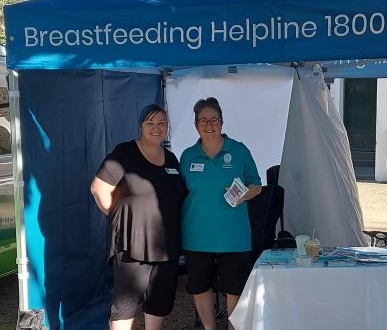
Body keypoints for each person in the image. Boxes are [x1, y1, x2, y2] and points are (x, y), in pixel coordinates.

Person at [90, 104, 188, 330]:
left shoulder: (172, 159)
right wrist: (119, 218)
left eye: (161, 123)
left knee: (159, 301)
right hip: (131, 244)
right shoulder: (125, 153)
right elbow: (98, 188)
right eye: (150, 123)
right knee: (126, 304)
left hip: (166, 246)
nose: (156, 128)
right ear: (140, 126)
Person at [180, 97, 262, 330]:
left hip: (233, 236)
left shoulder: (239, 150)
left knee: (234, 287)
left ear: (222, 122)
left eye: (213, 120)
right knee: (199, 286)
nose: (209, 125)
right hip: (196, 234)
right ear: (196, 125)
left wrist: (243, 194)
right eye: (203, 120)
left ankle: (232, 327)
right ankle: (209, 327)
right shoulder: (187, 156)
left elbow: (257, 185)